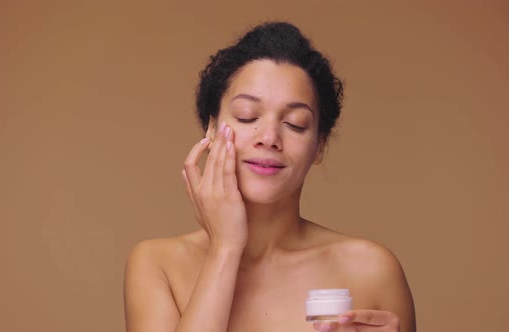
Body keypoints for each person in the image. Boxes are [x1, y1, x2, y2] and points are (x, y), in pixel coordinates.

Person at [124, 22, 416, 332]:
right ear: (211, 129)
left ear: (319, 146)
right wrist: (225, 248)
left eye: (295, 124)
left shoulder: (372, 270)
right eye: (247, 116)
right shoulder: (157, 265)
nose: (269, 137)